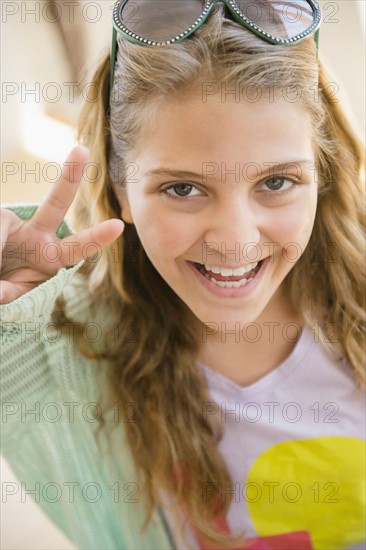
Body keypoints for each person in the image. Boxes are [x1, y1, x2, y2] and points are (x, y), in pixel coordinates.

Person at [1, 1, 365, 549]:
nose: (236, 240)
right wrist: (11, 318)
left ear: (322, 171)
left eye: (277, 182)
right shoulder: (70, 348)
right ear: (123, 192)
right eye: (183, 189)